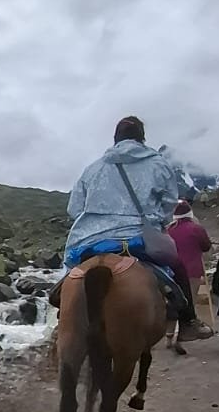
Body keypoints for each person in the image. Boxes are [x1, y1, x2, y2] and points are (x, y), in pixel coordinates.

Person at [62, 117, 211, 338]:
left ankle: (61, 313)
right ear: (142, 138)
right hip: (140, 237)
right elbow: (169, 202)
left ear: (115, 139)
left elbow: (74, 208)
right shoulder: (159, 164)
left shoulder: (93, 169)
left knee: (69, 274)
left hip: (94, 239)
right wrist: (157, 221)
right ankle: (188, 321)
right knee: (178, 266)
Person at [167, 200, 212, 296]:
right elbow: (206, 246)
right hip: (193, 271)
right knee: (191, 299)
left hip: (173, 272)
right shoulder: (196, 228)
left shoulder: (169, 230)